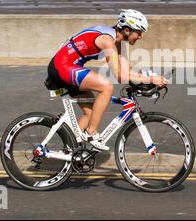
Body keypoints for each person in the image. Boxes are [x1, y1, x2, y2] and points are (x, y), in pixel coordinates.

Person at [47, 9, 168, 151]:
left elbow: (127, 72)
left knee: (91, 112)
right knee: (106, 87)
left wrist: (147, 78)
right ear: (127, 30)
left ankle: (70, 152)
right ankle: (91, 133)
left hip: (68, 66)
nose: (140, 36)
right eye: (139, 32)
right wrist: (151, 79)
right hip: (62, 66)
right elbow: (121, 76)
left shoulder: (118, 42)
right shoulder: (108, 41)